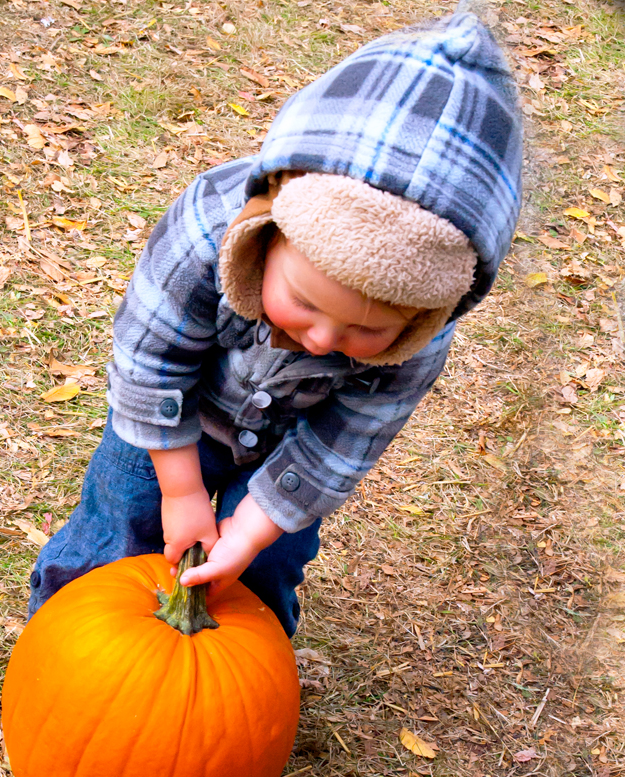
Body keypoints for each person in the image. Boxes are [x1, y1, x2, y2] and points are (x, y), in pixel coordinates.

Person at [28, 8, 522, 637]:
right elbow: (150, 361)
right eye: (306, 304)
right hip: (174, 413)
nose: (321, 340)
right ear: (269, 229)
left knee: (267, 559)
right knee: (121, 519)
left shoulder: (419, 346)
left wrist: (254, 528)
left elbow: (344, 440)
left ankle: (246, 670)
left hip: (285, 448)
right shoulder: (205, 233)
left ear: (427, 314)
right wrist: (180, 492)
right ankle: (61, 637)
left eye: (365, 332)